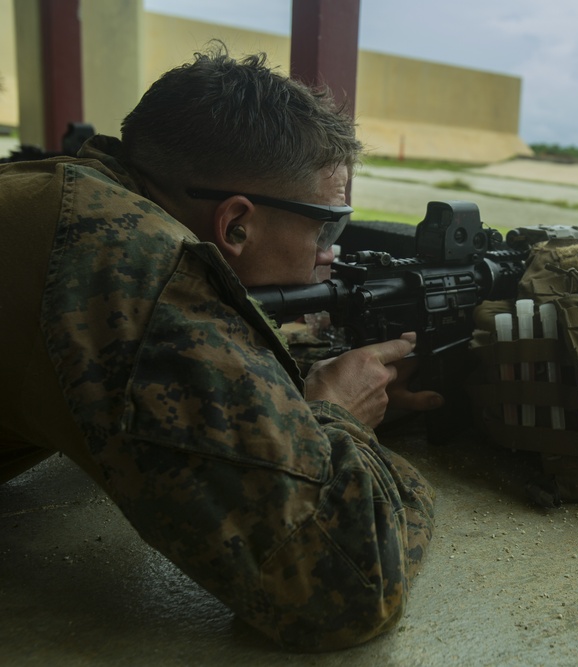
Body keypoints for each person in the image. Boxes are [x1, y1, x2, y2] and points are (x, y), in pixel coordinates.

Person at [0, 44, 441, 651]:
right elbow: (347, 584)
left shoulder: (72, 195)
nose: (329, 253)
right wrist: (337, 417)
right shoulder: (137, 268)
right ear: (236, 224)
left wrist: (293, 374)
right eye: (325, 224)